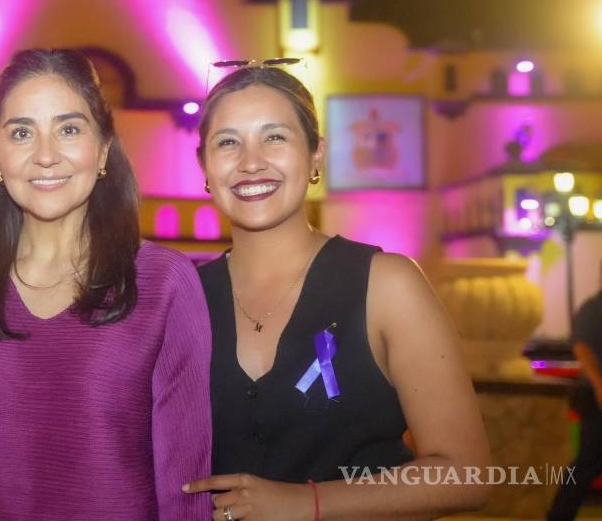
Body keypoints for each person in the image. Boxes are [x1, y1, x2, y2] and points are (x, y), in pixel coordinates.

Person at [187, 63, 490, 519]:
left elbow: (466, 474)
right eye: (227, 142)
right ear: (205, 166)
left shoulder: (386, 285)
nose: (251, 162)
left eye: (275, 137)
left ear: (315, 155)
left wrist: (306, 502)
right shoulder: (183, 297)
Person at [0, 48, 213, 520]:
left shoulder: (163, 282)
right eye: (21, 132)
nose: (46, 155)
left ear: (103, 148)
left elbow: (185, 482)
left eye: (69, 129)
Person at [547, 266, 602, 520]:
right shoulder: (593, 308)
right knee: (586, 463)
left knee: (587, 463)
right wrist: (599, 385)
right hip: (597, 400)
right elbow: (582, 348)